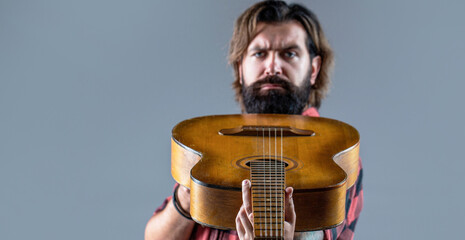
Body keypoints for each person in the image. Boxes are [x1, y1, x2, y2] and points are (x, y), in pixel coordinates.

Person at [145, 1, 363, 239]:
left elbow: (315, 232)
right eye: (259, 53)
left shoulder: (336, 153)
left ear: (313, 69)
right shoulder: (211, 142)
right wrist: (188, 196)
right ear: (240, 68)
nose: (272, 67)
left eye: (289, 54)